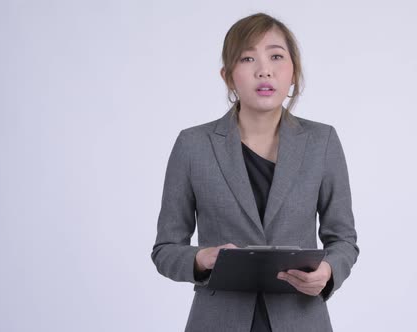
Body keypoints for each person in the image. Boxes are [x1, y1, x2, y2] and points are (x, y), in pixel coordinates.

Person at [151, 12, 359, 332]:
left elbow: (343, 239)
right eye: (248, 58)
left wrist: (328, 271)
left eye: (276, 56)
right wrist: (202, 258)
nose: (264, 70)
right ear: (228, 76)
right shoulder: (193, 145)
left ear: (293, 72)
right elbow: (165, 250)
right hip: (218, 320)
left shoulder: (323, 141)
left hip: (301, 318)